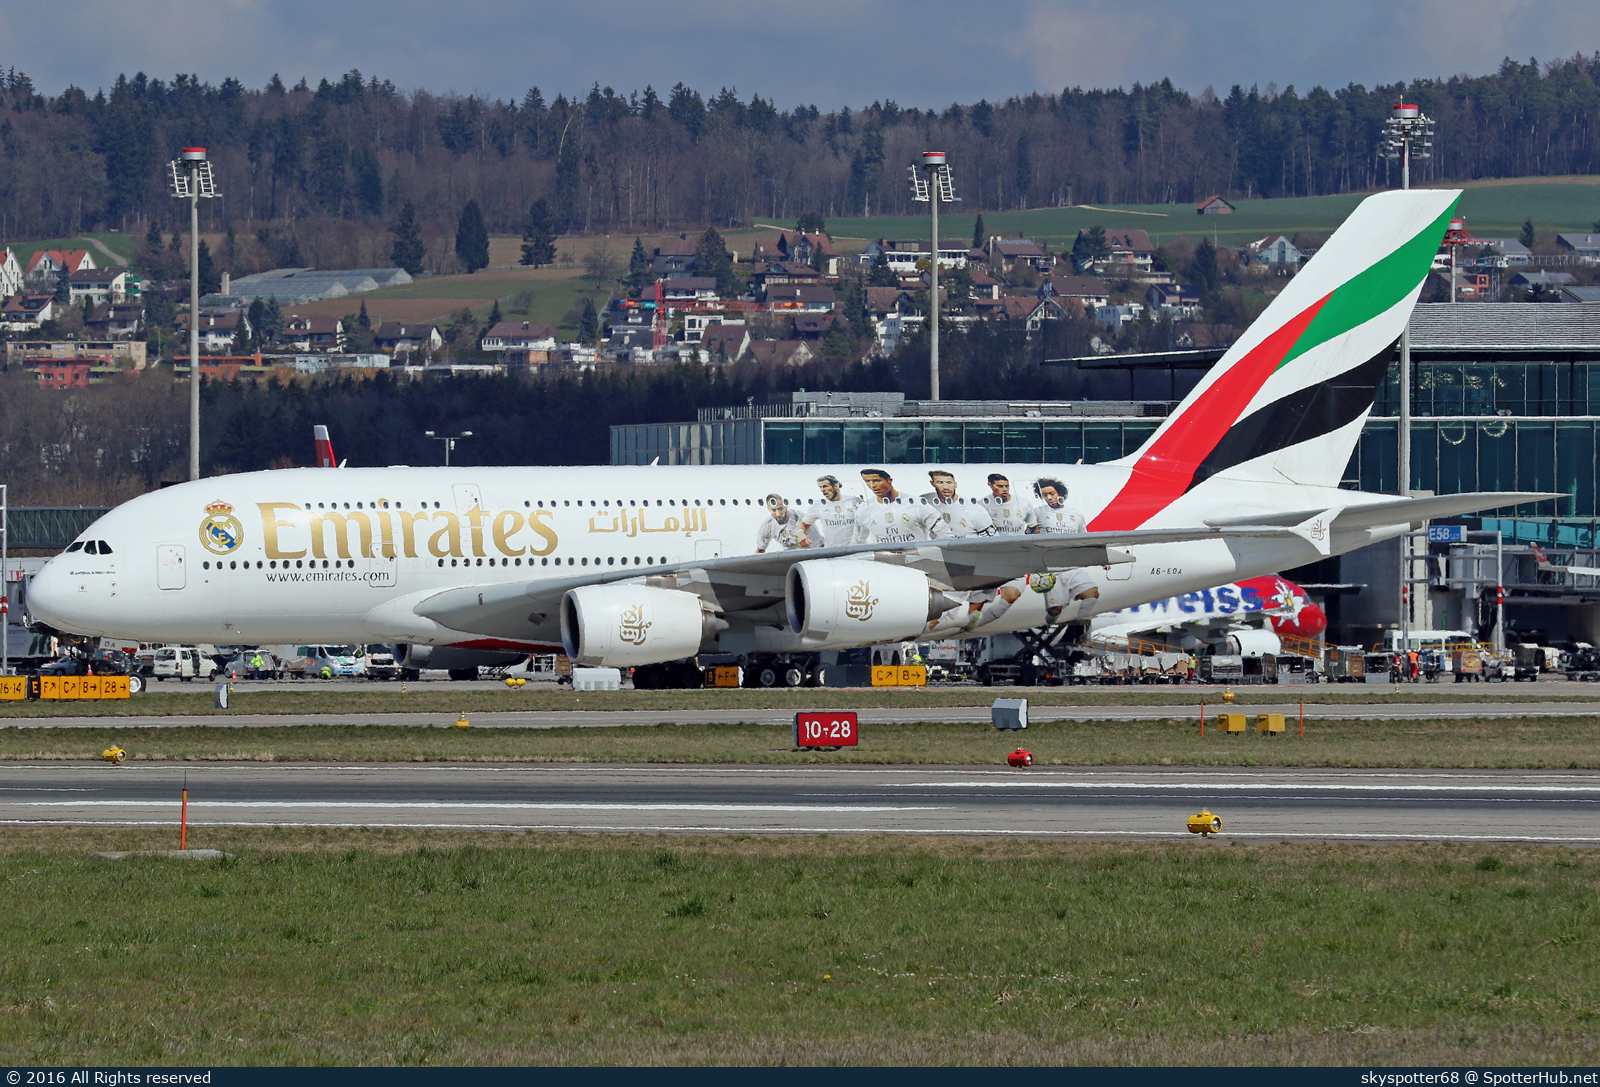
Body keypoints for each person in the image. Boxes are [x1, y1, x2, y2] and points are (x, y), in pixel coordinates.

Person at [852, 468, 952, 544]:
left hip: (917, 563)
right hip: (883, 565)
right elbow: (858, 542)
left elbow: (946, 536)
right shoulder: (864, 510)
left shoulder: (916, 504)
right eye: (867, 481)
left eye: (877, 480)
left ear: (889, 480)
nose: (872, 485)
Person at [921, 470, 993, 537]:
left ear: (955, 484)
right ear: (932, 484)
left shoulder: (973, 508)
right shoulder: (925, 504)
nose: (945, 487)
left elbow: (991, 539)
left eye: (949, 483)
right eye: (940, 482)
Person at [800, 474, 861, 548]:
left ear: (836, 486)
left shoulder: (854, 501)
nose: (822, 490)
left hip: (854, 550)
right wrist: (800, 533)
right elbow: (804, 525)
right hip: (831, 551)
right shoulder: (818, 506)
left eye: (825, 486)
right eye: (820, 487)